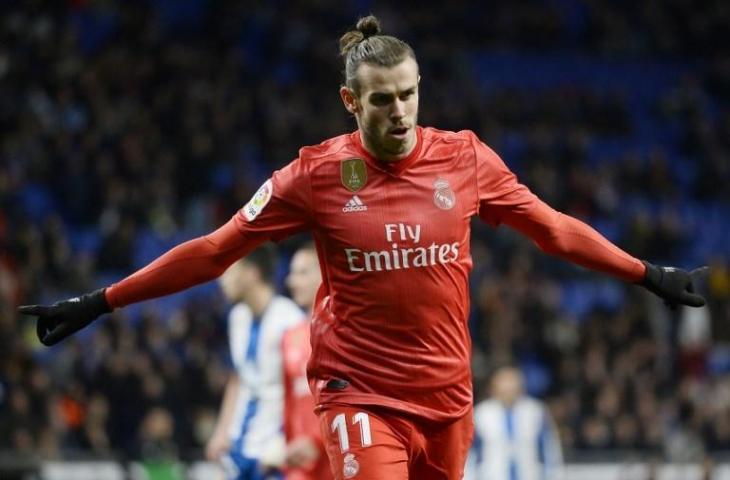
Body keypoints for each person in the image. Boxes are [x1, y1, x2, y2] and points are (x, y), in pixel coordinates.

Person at [19, 14, 707, 480]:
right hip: (359, 393)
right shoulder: (315, 175)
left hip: (447, 396)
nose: (401, 112)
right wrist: (103, 301)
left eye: (409, 95)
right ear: (351, 100)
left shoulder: (463, 158)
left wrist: (647, 273)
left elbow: (554, 229)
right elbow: (215, 249)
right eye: (383, 101)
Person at [205, 246, 303, 480]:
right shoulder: (237, 317)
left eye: (230, 271)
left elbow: (303, 391)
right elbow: (238, 377)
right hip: (239, 446)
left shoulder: (290, 322)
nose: (222, 280)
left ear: (252, 273)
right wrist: (221, 431)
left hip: (272, 449)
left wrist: (286, 439)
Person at [280, 242, 333, 480]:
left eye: (302, 273)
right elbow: (290, 401)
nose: (292, 281)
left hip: (337, 456)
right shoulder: (290, 337)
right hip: (301, 464)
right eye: (292, 273)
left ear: (324, 275)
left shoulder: (342, 333)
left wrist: (316, 440)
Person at [465, 366, 563, 480]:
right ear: (493, 386)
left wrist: (553, 475)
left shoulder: (535, 411)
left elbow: (550, 449)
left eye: (512, 382)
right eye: (504, 383)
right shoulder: (481, 413)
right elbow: (470, 453)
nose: (509, 388)